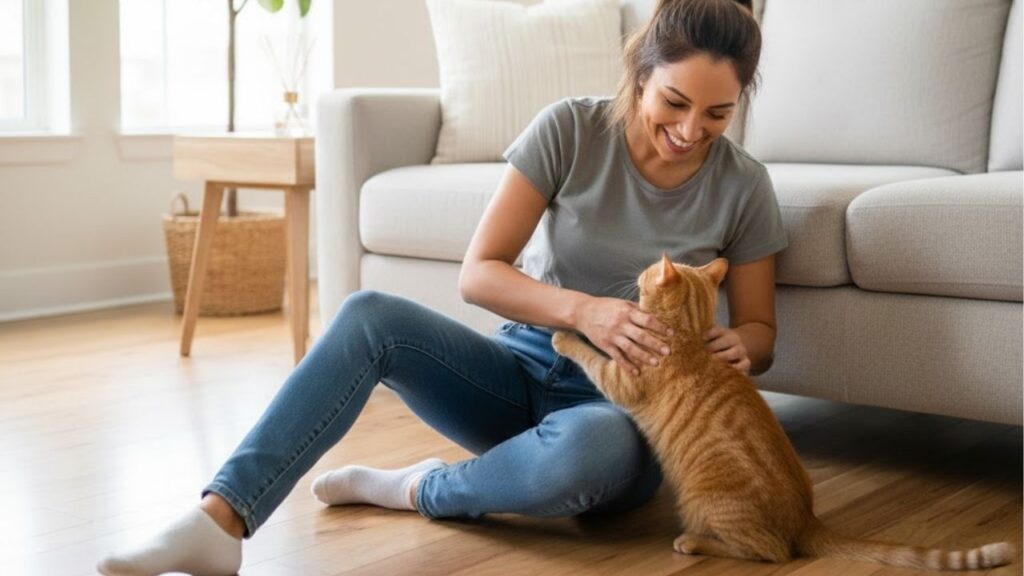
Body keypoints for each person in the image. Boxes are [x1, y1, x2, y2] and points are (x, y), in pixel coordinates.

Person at [98, 0, 786, 574]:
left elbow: (761, 332)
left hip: (625, 417)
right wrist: (584, 312)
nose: (690, 131)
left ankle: (419, 487)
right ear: (641, 71)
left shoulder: (743, 186)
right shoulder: (571, 129)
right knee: (370, 316)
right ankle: (221, 518)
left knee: (590, 454)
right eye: (675, 102)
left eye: (718, 114)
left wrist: (740, 348)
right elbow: (479, 271)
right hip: (523, 365)